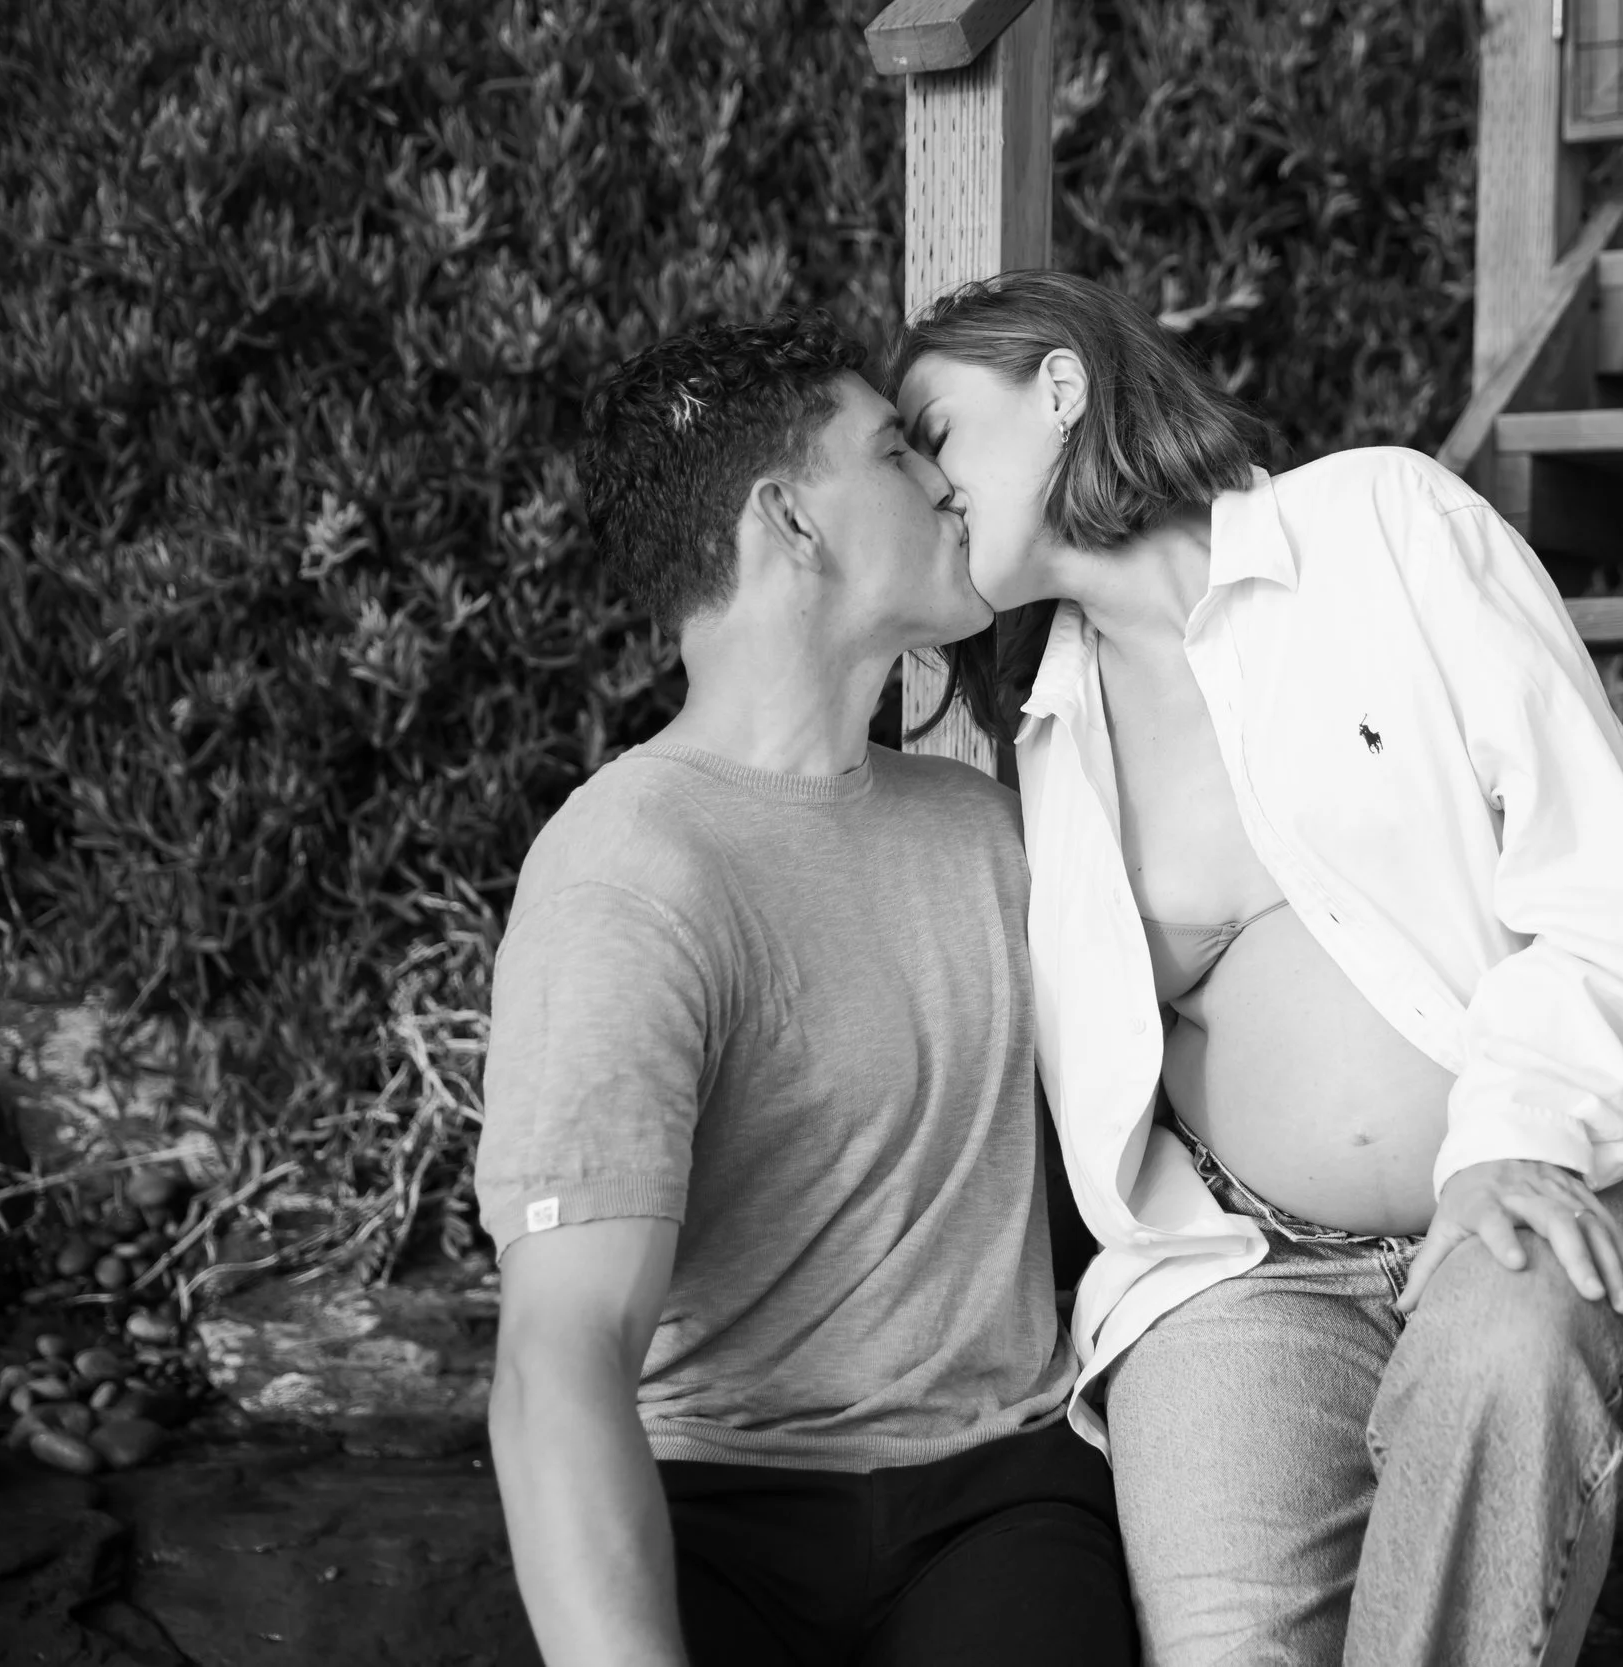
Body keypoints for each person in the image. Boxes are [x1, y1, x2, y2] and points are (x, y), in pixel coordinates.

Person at [892, 272, 1623, 1667]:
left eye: (934, 433)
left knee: (1500, 1349)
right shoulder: (1045, 727)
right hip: (1248, 1264)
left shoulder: (1379, 528)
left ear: (1060, 386)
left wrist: (1512, 1142)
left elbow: (1608, 876)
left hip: (1579, 1180)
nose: (926, 487)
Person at [475, 313, 1136, 1667]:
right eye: (897, 451)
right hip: (719, 1502)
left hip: (1000, 1499)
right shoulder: (629, 873)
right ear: (790, 520)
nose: (949, 482)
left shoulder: (992, 828)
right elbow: (560, 1355)